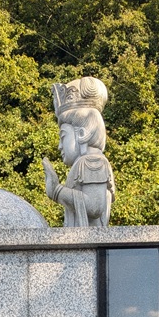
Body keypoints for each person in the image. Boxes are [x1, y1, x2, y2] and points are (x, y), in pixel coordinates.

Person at [43, 76, 115, 227]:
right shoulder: (88, 161)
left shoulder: (92, 161)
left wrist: (57, 191)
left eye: (63, 137)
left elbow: (95, 207)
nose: (59, 146)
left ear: (82, 134)